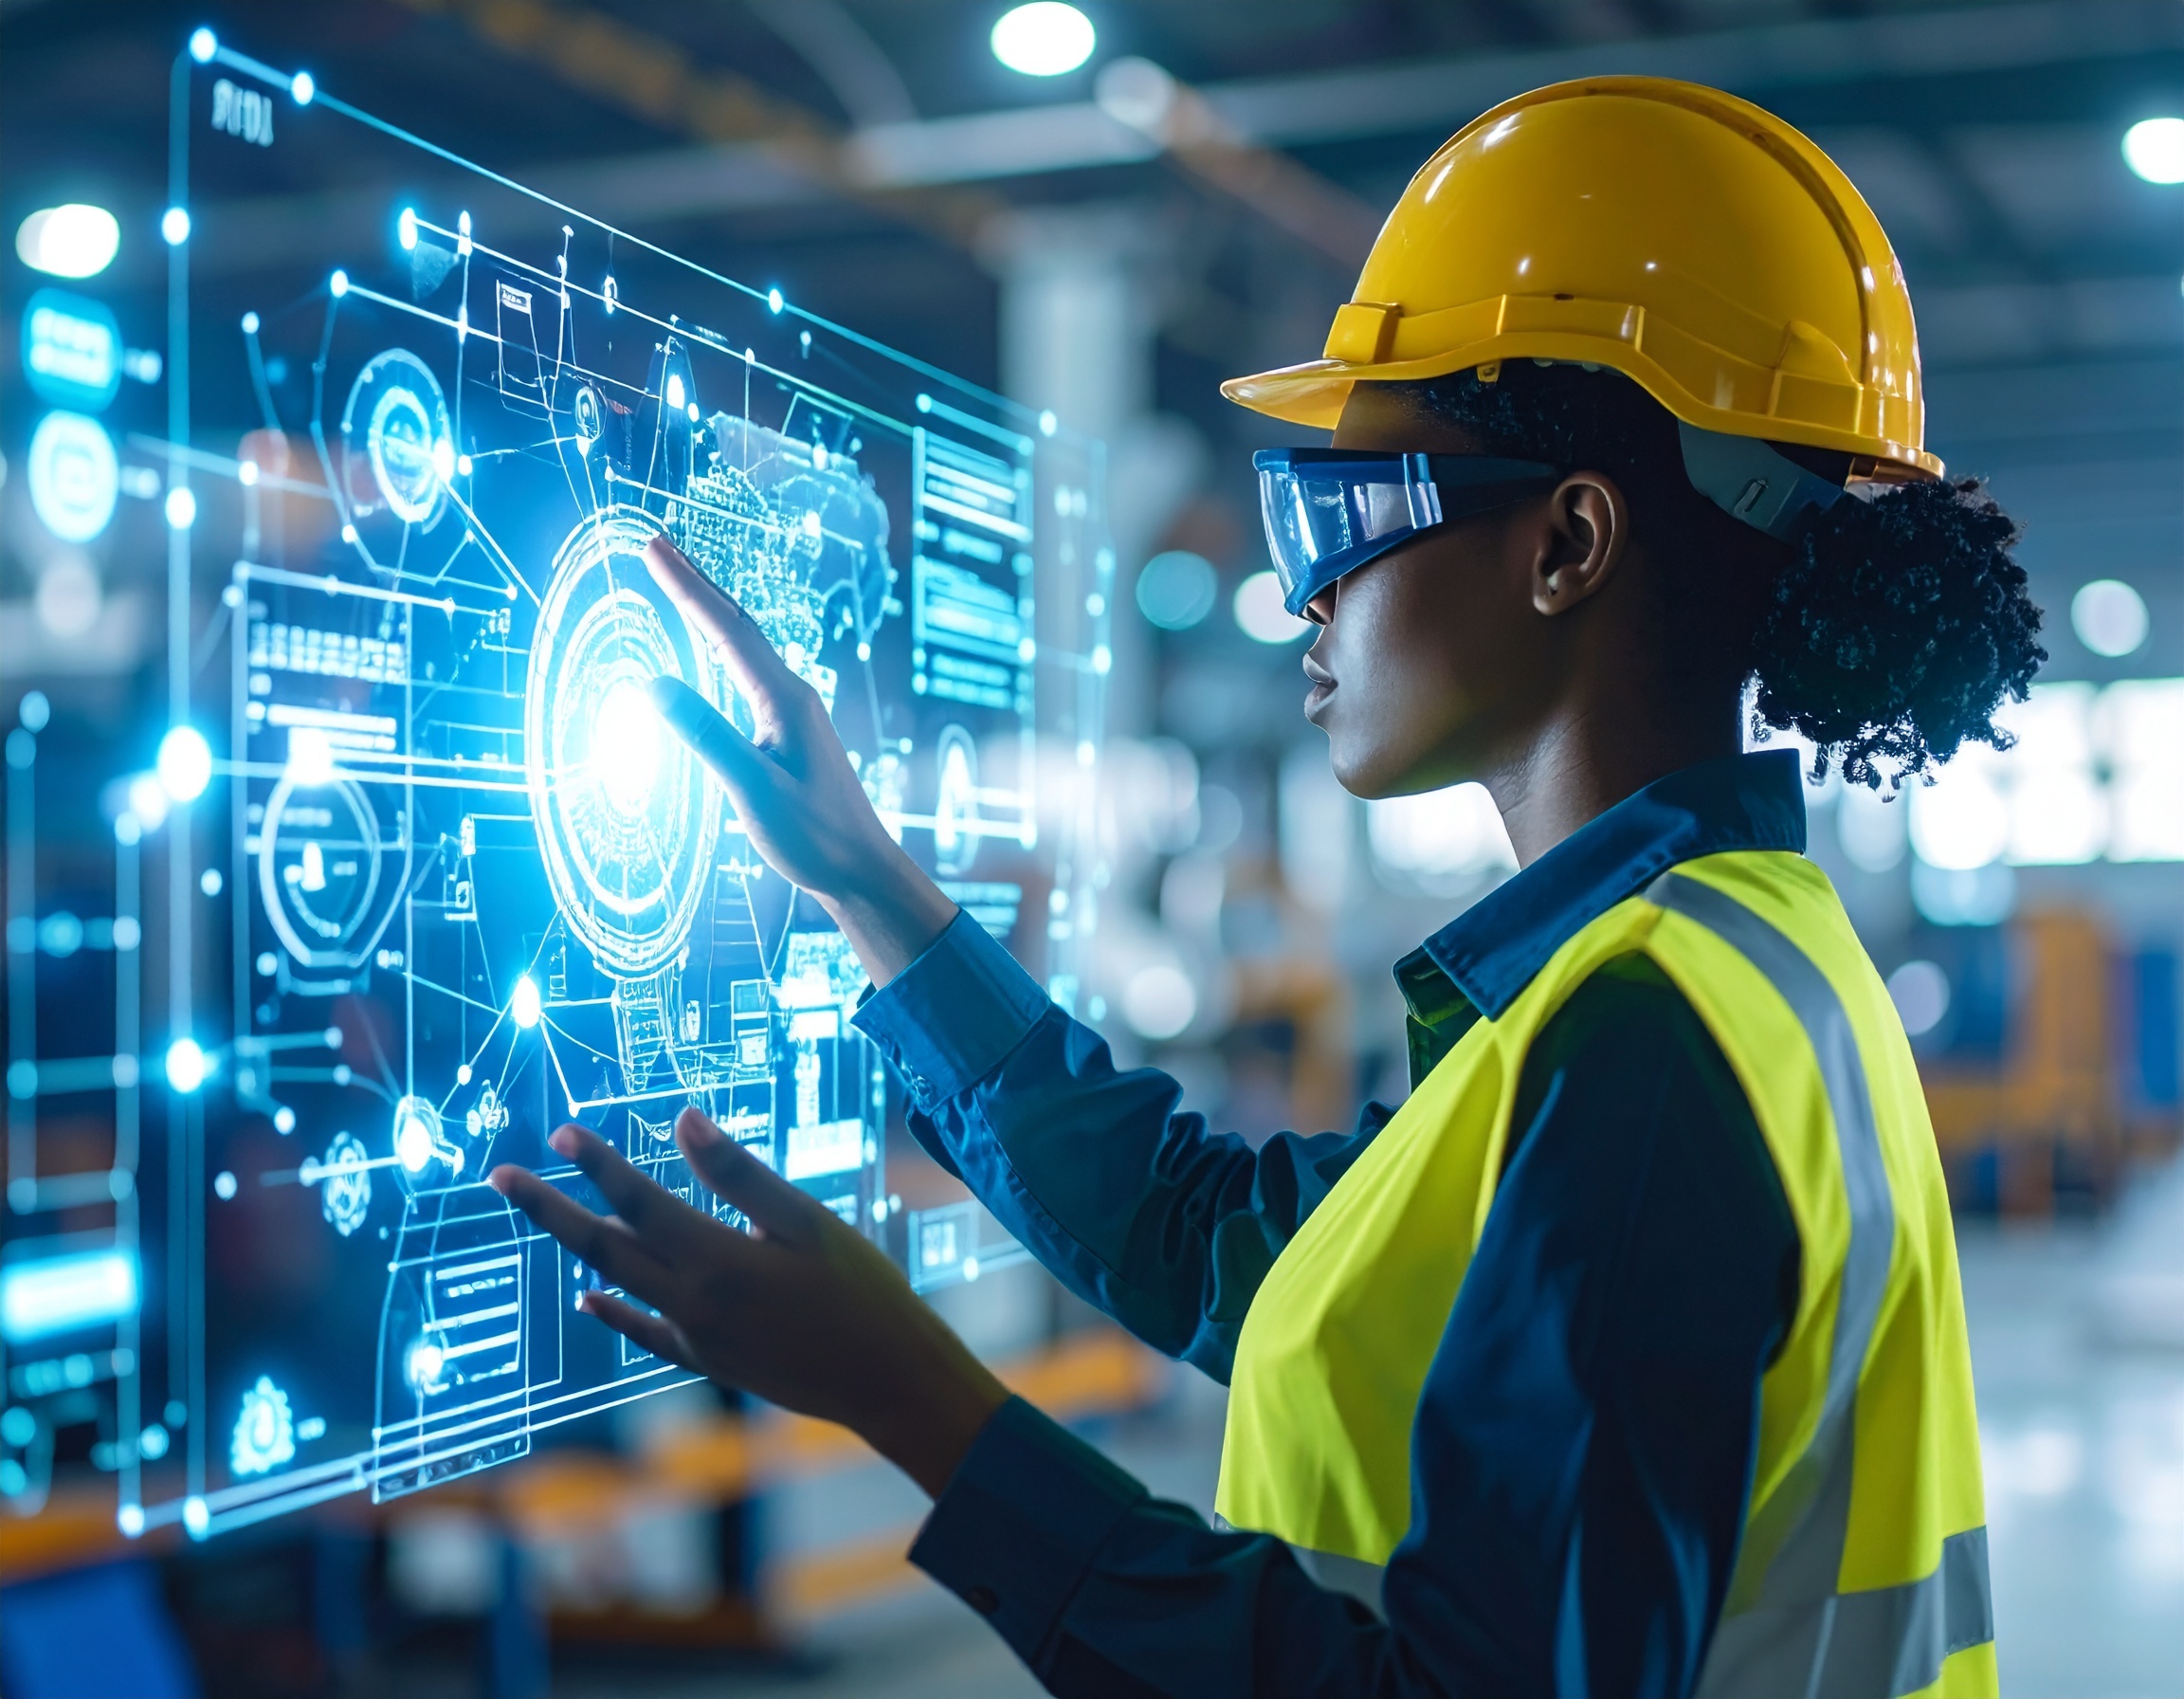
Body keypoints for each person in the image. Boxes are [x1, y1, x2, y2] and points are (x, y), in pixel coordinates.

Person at [490, 77, 2043, 1697]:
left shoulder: (1649, 1047)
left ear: (1567, 544)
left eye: (1342, 509)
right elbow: (1232, 1247)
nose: (1304, 595)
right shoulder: (1710, 974)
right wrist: (873, 886)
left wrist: (920, 1404)